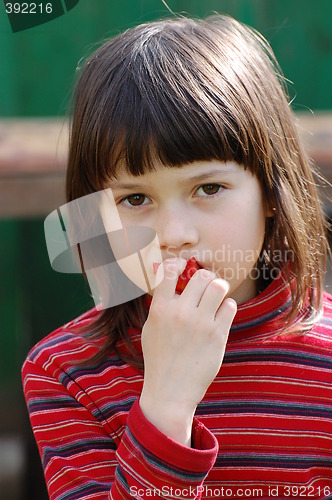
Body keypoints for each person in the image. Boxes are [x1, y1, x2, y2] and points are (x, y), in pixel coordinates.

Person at [22, 14, 332, 500]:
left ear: (272, 190)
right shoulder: (66, 370)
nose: (174, 235)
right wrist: (166, 406)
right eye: (135, 199)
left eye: (209, 188)